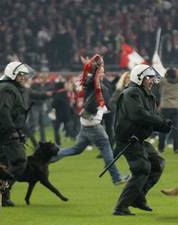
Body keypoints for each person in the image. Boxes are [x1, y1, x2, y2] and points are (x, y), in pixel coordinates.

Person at [51, 55, 129, 186]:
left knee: (76, 149)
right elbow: (109, 106)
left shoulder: (91, 84)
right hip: (93, 124)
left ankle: (48, 158)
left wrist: (91, 65)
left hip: (86, 123)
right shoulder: (99, 87)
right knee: (107, 148)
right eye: (102, 70)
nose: (104, 72)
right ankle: (116, 178)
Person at [113, 64, 172, 216]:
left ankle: (138, 198)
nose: (152, 81)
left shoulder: (148, 95)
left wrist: (165, 125)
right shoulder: (131, 93)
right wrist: (160, 122)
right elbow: (138, 115)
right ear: (139, 78)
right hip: (128, 139)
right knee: (142, 169)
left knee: (158, 164)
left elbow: (151, 116)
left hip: (139, 139)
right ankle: (121, 207)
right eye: (149, 78)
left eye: (152, 78)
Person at [0, 61, 33, 207]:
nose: (24, 77)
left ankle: (0, 194)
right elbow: (3, 112)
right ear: (12, 74)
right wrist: (12, 131)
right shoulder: (7, 89)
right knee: (19, 162)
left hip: (7, 131)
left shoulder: (9, 88)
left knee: (5, 164)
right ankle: (0, 191)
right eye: (21, 74)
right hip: (7, 132)